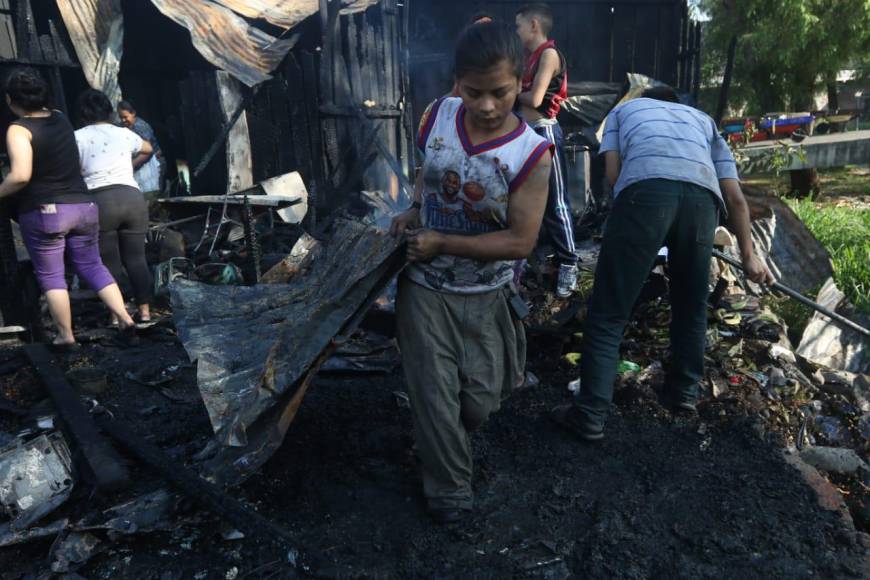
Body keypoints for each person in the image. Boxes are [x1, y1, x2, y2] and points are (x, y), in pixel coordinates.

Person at [390, 22, 552, 524]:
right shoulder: (437, 114)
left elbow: (520, 241)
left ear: (520, 82)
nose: (485, 106)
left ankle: (439, 440)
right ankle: (449, 491)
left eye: (499, 93)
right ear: (456, 82)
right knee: (434, 390)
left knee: (481, 401)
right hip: (425, 286)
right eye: (473, 92)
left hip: (487, 293)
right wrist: (416, 208)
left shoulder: (531, 154)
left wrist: (444, 240)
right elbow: (429, 170)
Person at [552, 85, 774, 440]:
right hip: (703, 203)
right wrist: (748, 257)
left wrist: (640, 225)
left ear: (647, 102)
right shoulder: (703, 121)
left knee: (609, 311)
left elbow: (613, 175)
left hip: (645, 195)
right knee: (691, 308)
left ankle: (591, 413)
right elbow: (736, 198)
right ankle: (682, 396)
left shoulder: (624, 113)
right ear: (677, 105)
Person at [0, 68, 135, 348]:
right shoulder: (60, 118)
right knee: (92, 264)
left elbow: (21, 175)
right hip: (84, 206)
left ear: (10, 100)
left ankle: (66, 335)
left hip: (46, 211)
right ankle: (125, 317)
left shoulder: (19, 129)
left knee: (51, 275)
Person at [515, 3, 579, 298]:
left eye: (519, 26)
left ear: (533, 25)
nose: (516, 32)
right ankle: (526, 262)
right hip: (525, 133)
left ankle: (569, 263)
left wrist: (508, 91)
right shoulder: (528, 58)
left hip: (544, 132)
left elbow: (537, 98)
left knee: (556, 202)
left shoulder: (549, 55)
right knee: (524, 201)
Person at [76, 89, 154, 323]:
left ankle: (116, 314)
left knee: (109, 262)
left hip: (100, 201)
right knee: (136, 258)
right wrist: (130, 165)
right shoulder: (123, 133)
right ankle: (145, 312)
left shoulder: (76, 137)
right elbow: (148, 149)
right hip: (131, 197)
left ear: (82, 114)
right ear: (110, 112)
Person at [117, 100, 162, 195]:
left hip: (150, 163)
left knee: (149, 194)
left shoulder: (141, 127)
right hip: (136, 166)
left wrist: (130, 165)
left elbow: (147, 152)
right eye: (121, 117)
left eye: (125, 117)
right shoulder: (122, 127)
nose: (123, 120)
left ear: (133, 113)